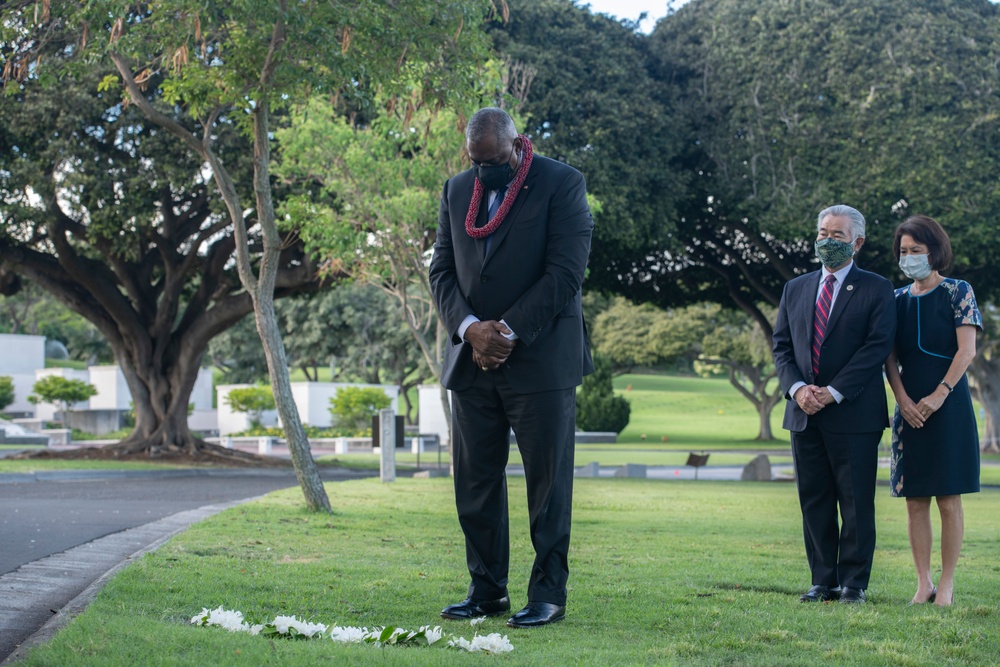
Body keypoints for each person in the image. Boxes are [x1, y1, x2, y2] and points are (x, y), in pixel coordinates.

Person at [428, 107, 594, 628]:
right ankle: (486, 590)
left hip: (541, 362)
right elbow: (440, 270)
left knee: (547, 487)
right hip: (472, 362)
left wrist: (505, 333)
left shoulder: (562, 182)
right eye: (476, 161)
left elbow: (566, 273)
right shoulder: (457, 190)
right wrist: (470, 328)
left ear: (518, 145)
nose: (485, 169)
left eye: (495, 160)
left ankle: (548, 594)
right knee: (475, 482)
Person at [772, 204, 896, 605]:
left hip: (853, 414)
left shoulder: (877, 288)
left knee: (856, 502)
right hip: (803, 413)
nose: (827, 241)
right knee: (815, 501)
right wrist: (798, 391)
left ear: (857, 243)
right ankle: (822, 581)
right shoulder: (796, 288)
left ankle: (853, 585)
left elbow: (875, 347)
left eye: (837, 235)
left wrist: (833, 391)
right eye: (823, 233)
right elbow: (782, 348)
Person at [884, 215, 981, 606]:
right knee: (915, 500)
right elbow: (889, 359)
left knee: (948, 499)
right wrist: (903, 401)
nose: (908, 258)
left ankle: (948, 584)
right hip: (908, 409)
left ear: (934, 251)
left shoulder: (959, 291)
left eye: (916, 251)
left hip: (950, 406)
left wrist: (939, 395)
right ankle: (923, 583)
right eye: (903, 252)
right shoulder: (894, 300)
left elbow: (967, 350)